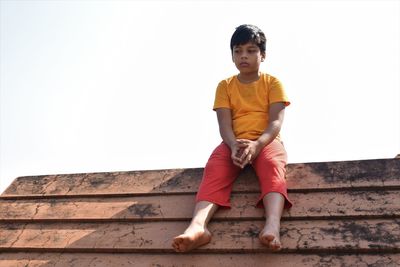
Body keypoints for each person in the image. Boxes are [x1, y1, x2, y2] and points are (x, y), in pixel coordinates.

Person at [172, 24, 292, 252]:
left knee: (272, 165)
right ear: (232, 55)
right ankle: (198, 227)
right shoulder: (225, 86)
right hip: (233, 142)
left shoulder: (273, 83)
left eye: (250, 50)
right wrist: (233, 144)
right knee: (215, 166)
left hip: (266, 142)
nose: (243, 56)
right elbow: (224, 124)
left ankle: (272, 225)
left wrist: (257, 145)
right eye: (238, 51)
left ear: (263, 55)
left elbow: (276, 122)